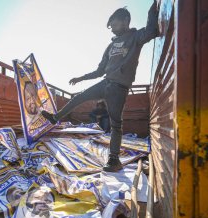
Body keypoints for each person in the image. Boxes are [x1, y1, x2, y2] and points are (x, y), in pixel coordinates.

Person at [42, 2, 159, 172]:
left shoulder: (135, 37)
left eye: (114, 24)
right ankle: (55, 117)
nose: (112, 29)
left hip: (119, 87)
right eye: (110, 26)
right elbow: (99, 71)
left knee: (115, 124)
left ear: (125, 20)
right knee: (79, 97)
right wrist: (81, 77)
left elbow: (151, 32)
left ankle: (114, 160)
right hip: (105, 82)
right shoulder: (110, 46)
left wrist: (152, 9)